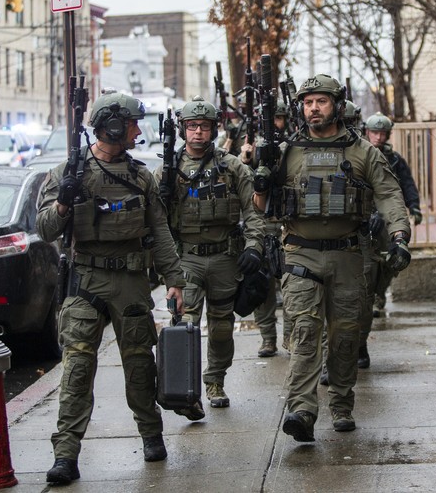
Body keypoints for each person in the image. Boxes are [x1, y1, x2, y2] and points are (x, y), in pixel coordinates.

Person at [36, 91, 186, 485]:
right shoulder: (68, 174)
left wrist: (175, 280)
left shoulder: (141, 177)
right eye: (133, 123)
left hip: (131, 283)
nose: (139, 130)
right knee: (77, 370)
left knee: (139, 364)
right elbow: (45, 229)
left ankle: (151, 435)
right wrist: (64, 204)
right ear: (113, 126)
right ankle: (66, 455)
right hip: (85, 280)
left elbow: (160, 232)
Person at [253, 74, 411, 441]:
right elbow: (260, 206)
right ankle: (302, 410)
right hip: (300, 254)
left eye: (321, 101)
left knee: (344, 337)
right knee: (305, 333)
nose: (313, 108)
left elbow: (389, 195)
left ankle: (341, 403)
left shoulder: (362, 152)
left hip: (348, 255)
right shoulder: (286, 152)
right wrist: (261, 176)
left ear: (337, 106)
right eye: (308, 102)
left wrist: (400, 237)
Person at [155, 96, 265, 409]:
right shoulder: (167, 171)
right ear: (182, 130)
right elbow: (154, 221)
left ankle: (215, 381)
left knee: (220, 326)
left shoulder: (231, 167)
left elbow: (253, 211)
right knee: (186, 324)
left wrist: (255, 246)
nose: (198, 133)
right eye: (192, 126)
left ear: (212, 129)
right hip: (185, 258)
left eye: (204, 127)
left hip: (224, 258)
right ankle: (186, 393)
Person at [359, 113, 423, 368]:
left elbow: (405, 185)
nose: (379, 137)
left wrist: (414, 207)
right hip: (363, 221)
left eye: (383, 134)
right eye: (375, 132)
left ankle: (379, 292)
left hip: (386, 223)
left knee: (388, 264)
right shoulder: (358, 154)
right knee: (366, 270)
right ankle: (371, 297)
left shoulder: (394, 159)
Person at [240, 100, 291, 357]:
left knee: (292, 287)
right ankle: (268, 338)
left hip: (285, 222)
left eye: (280, 118)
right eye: (274, 119)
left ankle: (290, 337)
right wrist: (247, 159)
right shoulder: (255, 147)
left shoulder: (292, 145)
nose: (277, 123)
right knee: (263, 287)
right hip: (263, 222)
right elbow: (246, 183)